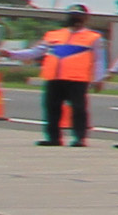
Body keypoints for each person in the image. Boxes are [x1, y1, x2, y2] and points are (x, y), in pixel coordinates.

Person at [38, 8, 104, 146]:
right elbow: (37, 51)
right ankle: (53, 138)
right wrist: (12, 54)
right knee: (52, 108)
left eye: (79, 16)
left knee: (78, 109)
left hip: (77, 79)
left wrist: (98, 78)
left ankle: (79, 137)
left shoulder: (93, 37)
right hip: (55, 78)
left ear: (85, 18)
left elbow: (99, 60)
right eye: (73, 15)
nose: (75, 18)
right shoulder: (53, 35)